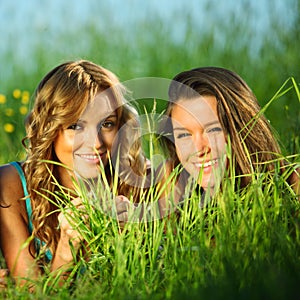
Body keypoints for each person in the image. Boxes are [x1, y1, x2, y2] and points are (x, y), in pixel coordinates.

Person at [0, 60, 149, 287]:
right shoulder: (10, 184)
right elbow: (30, 293)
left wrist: (133, 239)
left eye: (107, 124)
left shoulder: (137, 178)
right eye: (75, 126)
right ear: (49, 128)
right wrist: (65, 253)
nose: (95, 143)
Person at [158, 66, 299, 216]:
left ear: (244, 128)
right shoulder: (171, 180)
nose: (198, 149)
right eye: (183, 135)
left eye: (213, 130)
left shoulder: (292, 183)